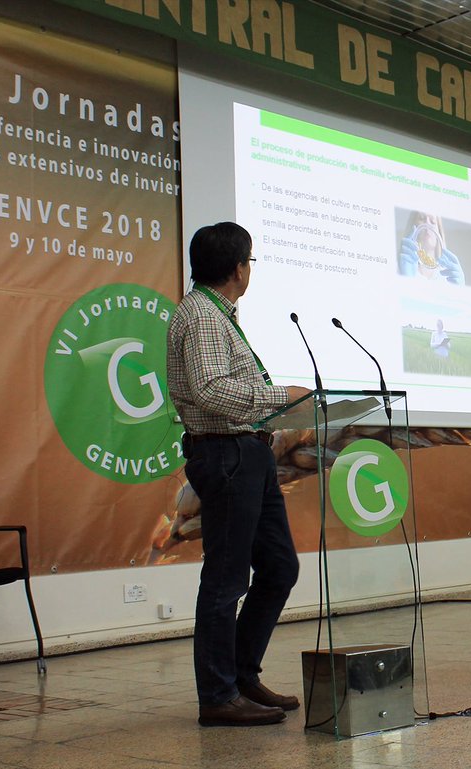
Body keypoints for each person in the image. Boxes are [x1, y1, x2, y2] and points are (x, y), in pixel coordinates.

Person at [166, 222, 312, 727]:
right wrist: (282, 398)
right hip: (225, 454)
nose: (250, 270)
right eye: (250, 262)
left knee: (278, 568)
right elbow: (209, 391)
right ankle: (218, 695)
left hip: (249, 452)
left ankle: (240, 675)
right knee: (227, 579)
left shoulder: (216, 314)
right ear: (237, 268)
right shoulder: (205, 318)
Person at [397, 211, 464, 284]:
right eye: (422, 218)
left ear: (439, 234)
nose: (427, 223)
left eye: (432, 221)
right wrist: (406, 279)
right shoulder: (399, 267)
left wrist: (460, 292)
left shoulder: (448, 276)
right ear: (413, 227)